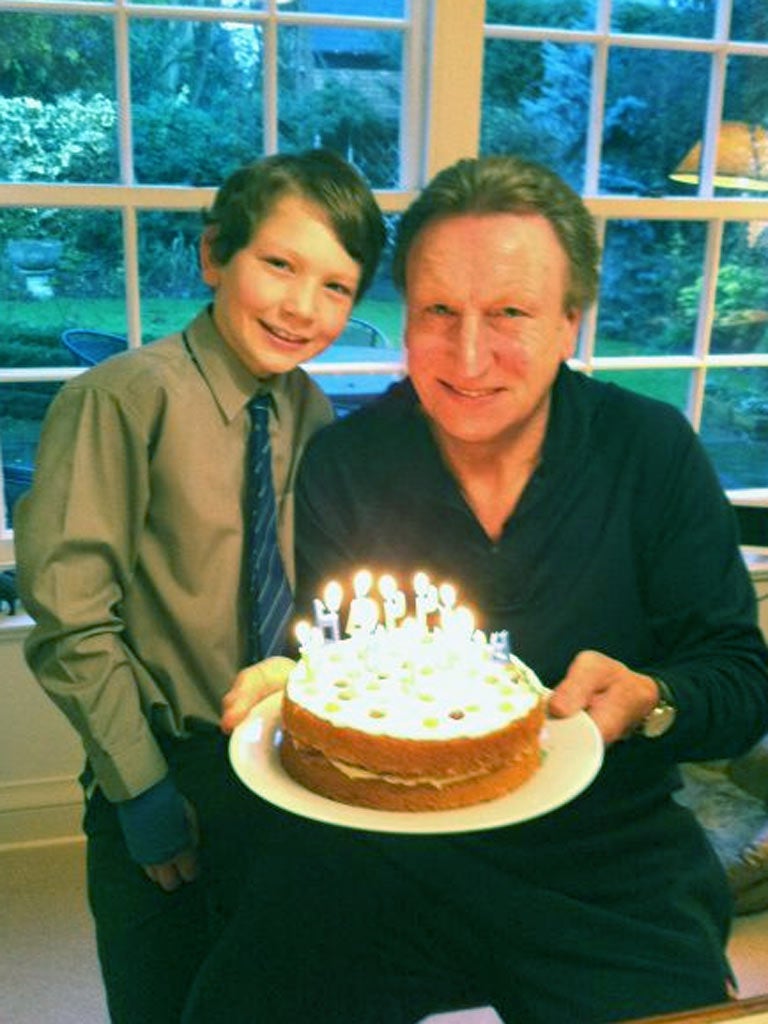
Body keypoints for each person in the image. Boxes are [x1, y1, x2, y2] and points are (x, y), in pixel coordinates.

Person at [182, 154, 768, 1024]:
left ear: (570, 321)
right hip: (376, 854)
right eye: (439, 312)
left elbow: (741, 679)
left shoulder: (649, 453)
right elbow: (336, 661)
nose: (467, 357)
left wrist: (654, 697)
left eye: (510, 314)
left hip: (604, 857)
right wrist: (293, 681)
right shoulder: (350, 464)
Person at [14, 148, 386, 1024]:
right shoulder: (120, 401)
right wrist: (141, 789)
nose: (303, 307)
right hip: (160, 765)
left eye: (336, 287)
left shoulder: (311, 414)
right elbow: (72, 619)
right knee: (164, 996)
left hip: (287, 766)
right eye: (280, 265)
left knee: (273, 994)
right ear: (216, 255)